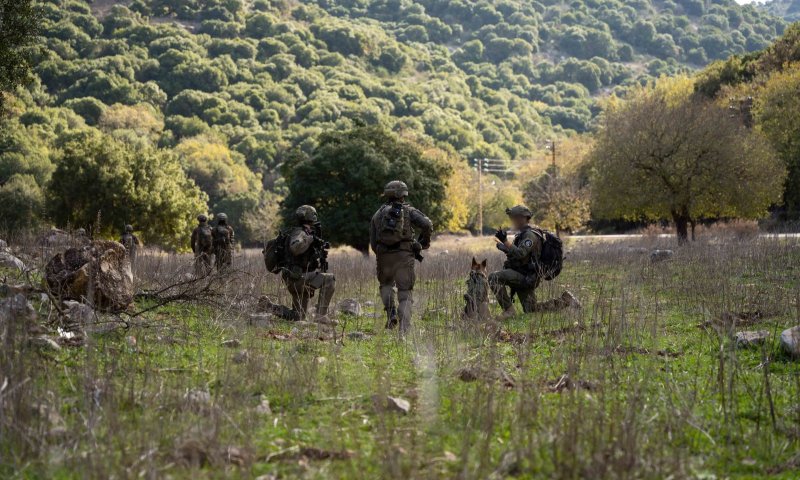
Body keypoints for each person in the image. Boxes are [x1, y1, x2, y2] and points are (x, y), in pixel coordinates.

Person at [490, 205, 580, 320]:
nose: (512, 221)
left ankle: (509, 311)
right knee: (531, 309)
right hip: (524, 274)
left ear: (521, 218)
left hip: (526, 276)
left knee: (494, 277)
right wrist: (505, 248)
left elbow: (520, 253)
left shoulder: (530, 234)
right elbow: (522, 256)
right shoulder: (524, 233)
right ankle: (565, 301)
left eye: (513, 218)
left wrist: (505, 241)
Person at [370, 180, 432, 332]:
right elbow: (427, 224)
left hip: (384, 256)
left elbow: (373, 243)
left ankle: (391, 314)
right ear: (403, 194)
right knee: (405, 292)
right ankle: (404, 328)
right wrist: (422, 243)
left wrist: (382, 253)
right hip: (404, 256)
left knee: (386, 286)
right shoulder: (408, 211)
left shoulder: (377, 214)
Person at [262, 205, 336, 325]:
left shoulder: (303, 232)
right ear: (311, 216)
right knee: (329, 279)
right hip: (299, 279)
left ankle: (268, 306)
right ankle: (321, 316)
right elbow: (295, 248)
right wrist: (310, 239)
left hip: (295, 279)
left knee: (298, 317)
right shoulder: (300, 233)